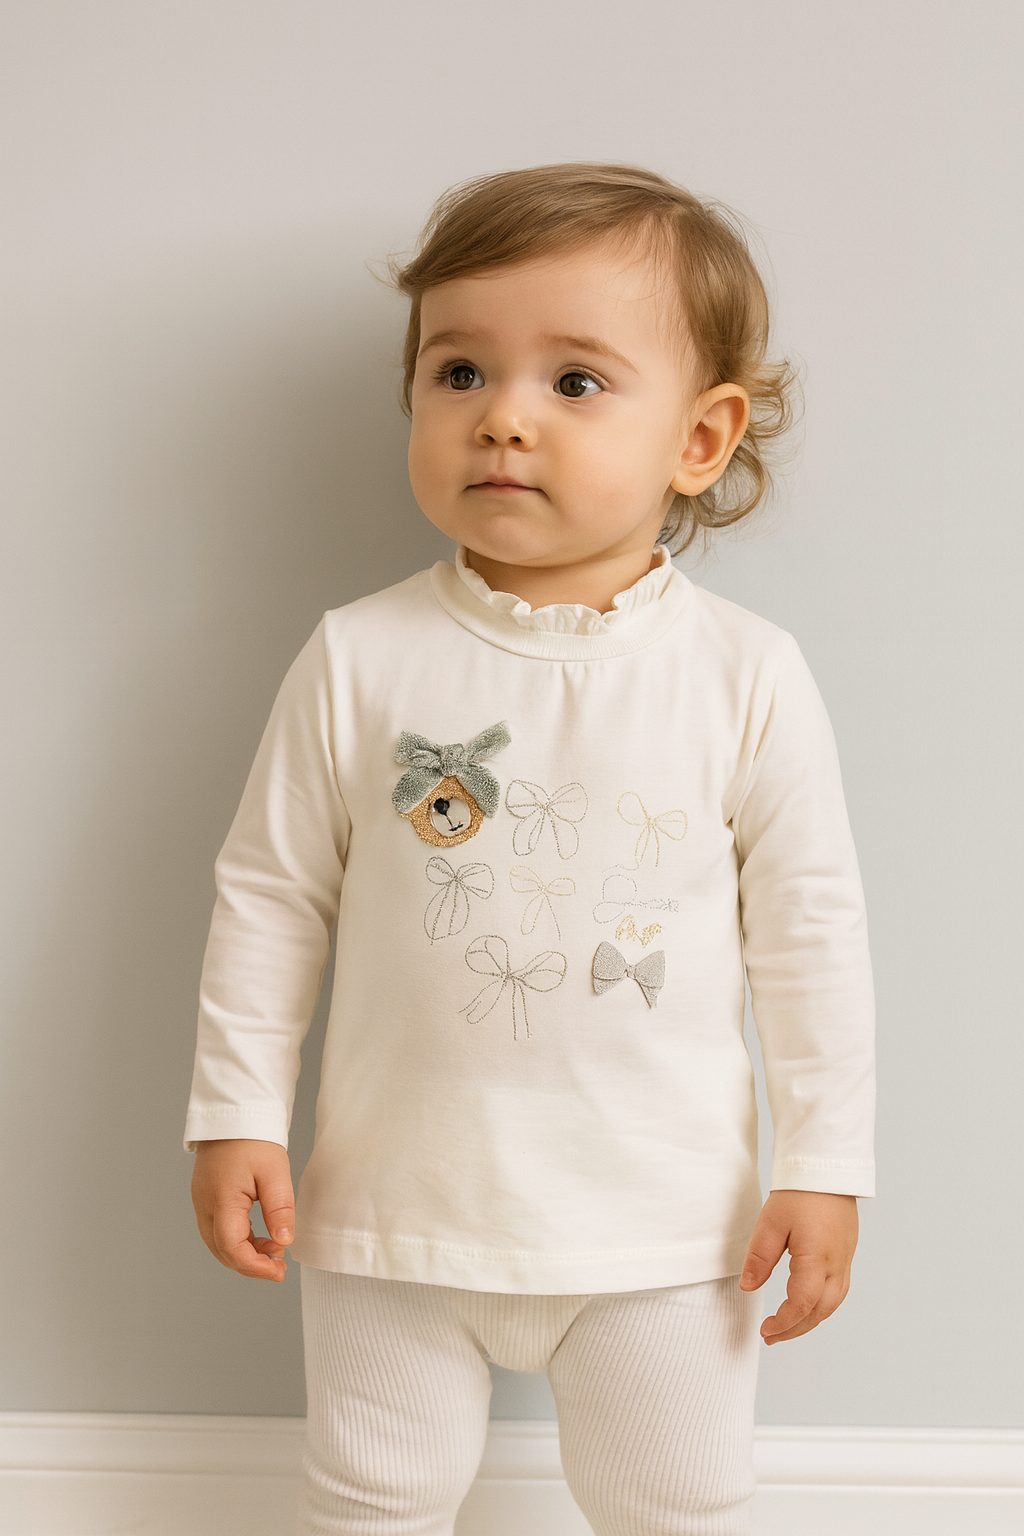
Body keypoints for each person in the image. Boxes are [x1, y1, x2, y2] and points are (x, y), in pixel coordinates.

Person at [186, 163, 875, 1536]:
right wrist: (234, 1111)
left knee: (675, 1504)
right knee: (368, 1500)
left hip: (664, 1230)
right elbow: (270, 898)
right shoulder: (360, 658)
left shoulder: (744, 676)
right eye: (459, 372)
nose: (503, 415)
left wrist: (827, 1162)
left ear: (700, 438)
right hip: (394, 1211)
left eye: (575, 381)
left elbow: (811, 933)